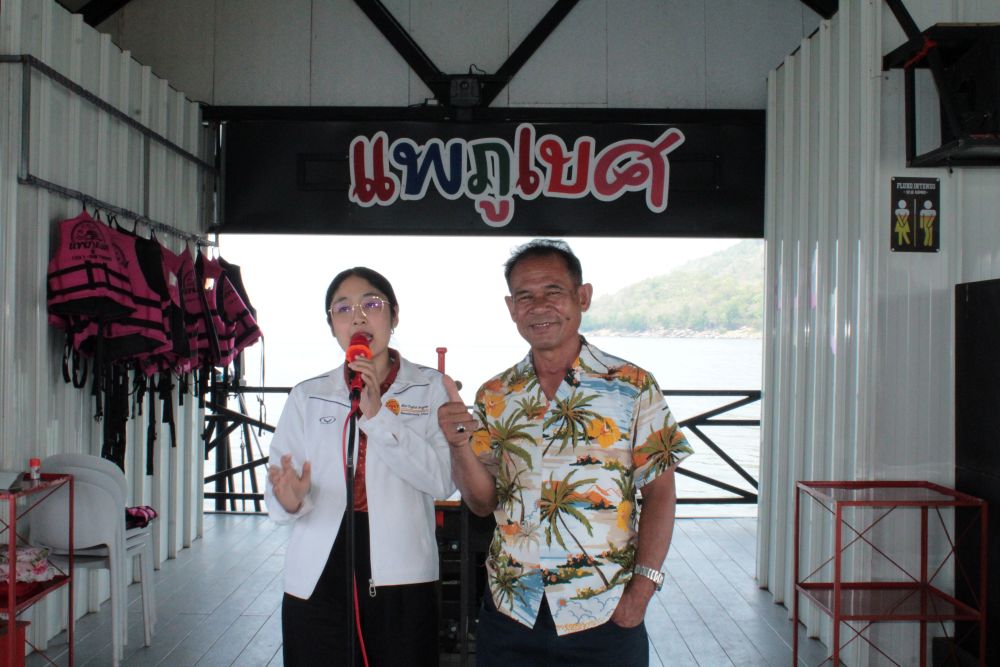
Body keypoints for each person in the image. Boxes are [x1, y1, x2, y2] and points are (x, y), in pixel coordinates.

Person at [438, 239, 693, 666]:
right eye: (524, 296)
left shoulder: (631, 386)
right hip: (511, 612)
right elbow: (482, 503)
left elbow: (661, 493)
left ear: (583, 297)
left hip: (605, 612)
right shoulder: (495, 395)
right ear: (511, 308)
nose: (539, 306)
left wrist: (641, 591)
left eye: (553, 291)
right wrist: (459, 444)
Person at [266, 267, 455, 667]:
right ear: (332, 325)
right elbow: (278, 493)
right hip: (319, 569)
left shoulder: (431, 387)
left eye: (371, 304)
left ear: (394, 314)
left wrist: (378, 415)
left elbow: (442, 481)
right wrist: (290, 499)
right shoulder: (308, 396)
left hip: (403, 571)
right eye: (343, 308)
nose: (358, 317)